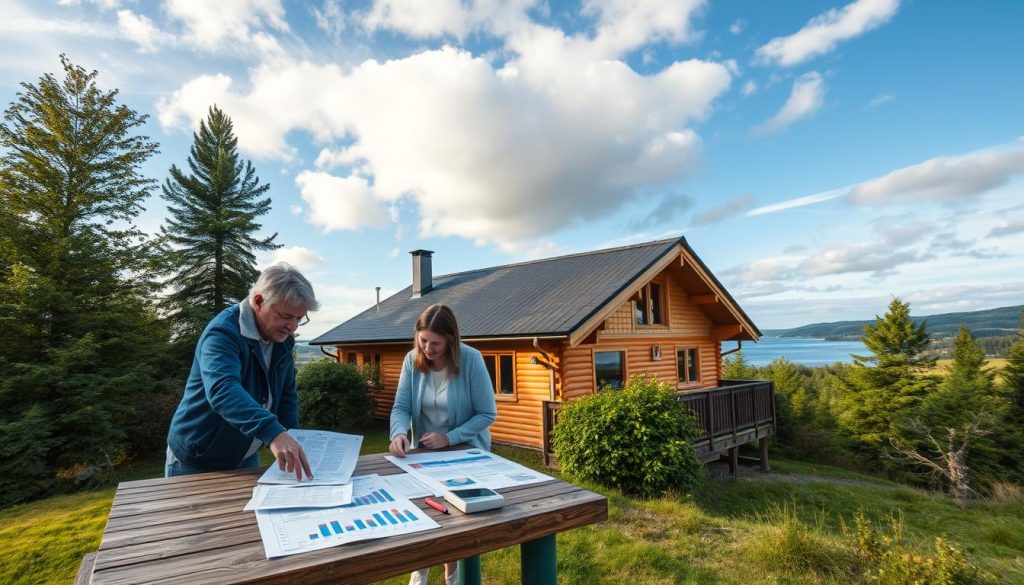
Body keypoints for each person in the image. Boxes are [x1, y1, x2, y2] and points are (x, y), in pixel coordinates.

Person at [165, 263, 319, 481]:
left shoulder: (283, 340)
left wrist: (292, 436)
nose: (292, 326)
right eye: (286, 316)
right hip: (195, 459)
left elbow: (286, 394)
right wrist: (273, 433)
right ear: (258, 301)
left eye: (299, 318)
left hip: (244, 454)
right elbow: (223, 390)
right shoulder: (222, 333)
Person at [389, 304, 498, 585]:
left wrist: (449, 438)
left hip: (466, 453)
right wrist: (398, 433)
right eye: (422, 340)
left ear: (451, 339)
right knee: (427, 512)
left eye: (435, 343)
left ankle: (453, 577)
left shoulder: (471, 360)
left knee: (456, 516)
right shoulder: (411, 361)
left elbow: (487, 413)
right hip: (424, 455)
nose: (428, 348)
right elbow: (401, 407)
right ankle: (420, 572)